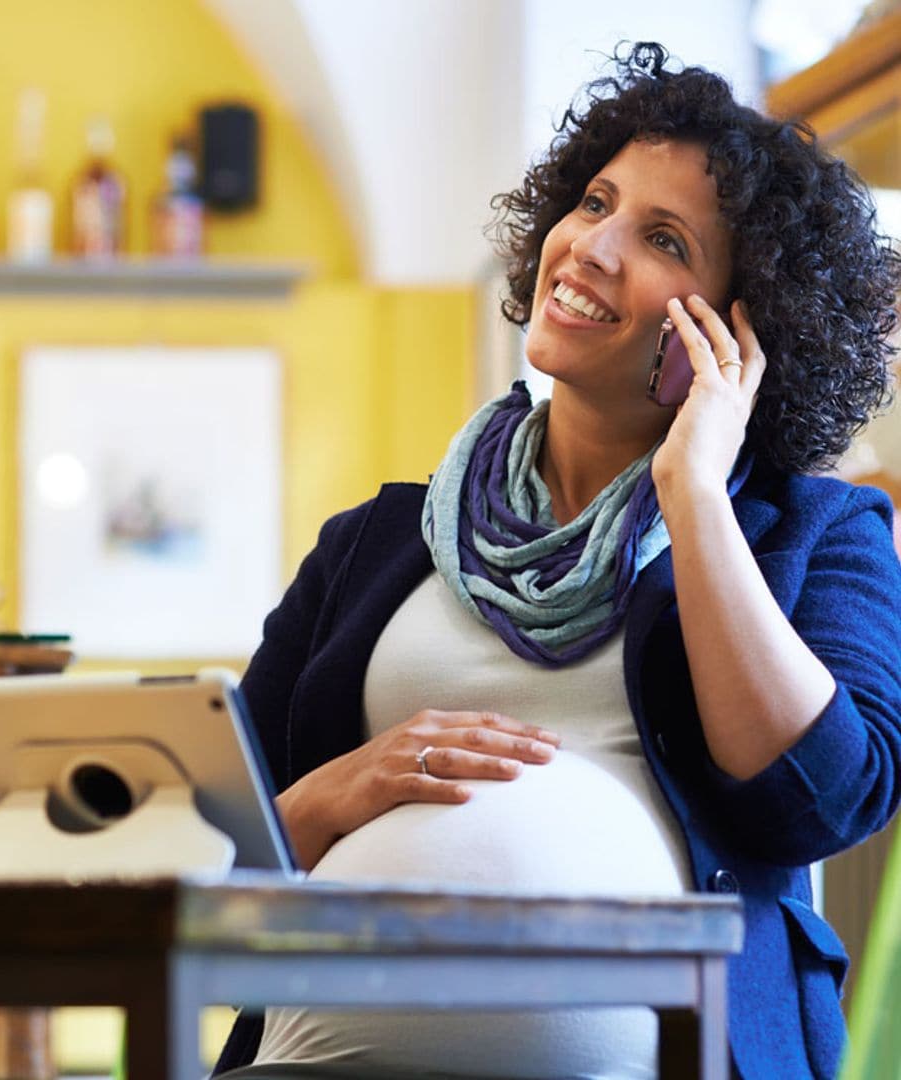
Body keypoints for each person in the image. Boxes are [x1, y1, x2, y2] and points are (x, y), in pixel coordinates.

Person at [214, 42, 901, 1080]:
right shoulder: (372, 542)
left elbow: (821, 798)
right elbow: (209, 846)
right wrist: (327, 799)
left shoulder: (815, 531)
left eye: (662, 238)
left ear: (746, 329)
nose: (591, 246)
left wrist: (695, 493)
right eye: (592, 202)